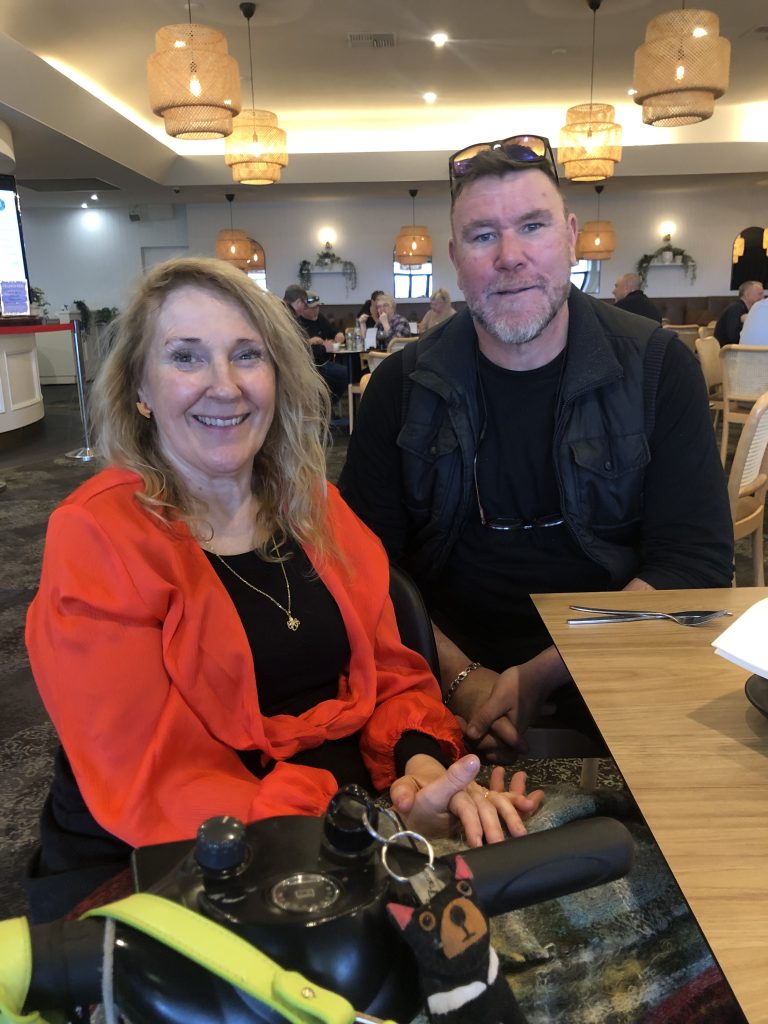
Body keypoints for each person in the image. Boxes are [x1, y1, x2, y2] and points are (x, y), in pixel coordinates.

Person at [25, 257, 543, 922]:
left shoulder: (316, 508)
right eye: (187, 357)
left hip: (341, 811)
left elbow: (389, 673)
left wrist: (418, 767)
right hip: (167, 848)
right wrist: (355, 832)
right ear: (140, 388)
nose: (224, 385)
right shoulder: (96, 536)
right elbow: (158, 776)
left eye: (247, 355)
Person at [340, 136, 733, 759]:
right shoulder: (400, 385)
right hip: (436, 672)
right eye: (483, 235)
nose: (510, 256)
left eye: (532, 225)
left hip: (618, 659)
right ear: (455, 258)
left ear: (571, 236)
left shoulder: (659, 368)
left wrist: (542, 672)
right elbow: (363, 570)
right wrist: (465, 680)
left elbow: (693, 565)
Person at [283, 284, 347, 405]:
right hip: (309, 365)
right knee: (345, 374)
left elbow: (332, 331)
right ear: (300, 303)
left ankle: (325, 406)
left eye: (318, 307)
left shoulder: (286, 315)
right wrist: (323, 347)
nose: (316, 310)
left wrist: (338, 335)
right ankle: (325, 406)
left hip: (311, 363)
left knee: (343, 374)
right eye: (311, 307)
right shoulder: (293, 319)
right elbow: (302, 349)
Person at [713, 280, 764, 346]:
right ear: (746, 294)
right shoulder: (736, 308)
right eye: (760, 294)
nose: (763, 297)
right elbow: (734, 338)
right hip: (728, 353)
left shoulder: (745, 309)